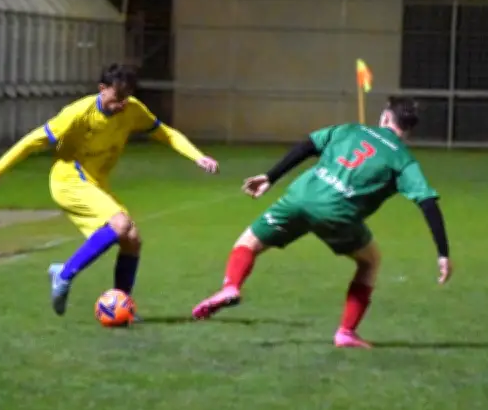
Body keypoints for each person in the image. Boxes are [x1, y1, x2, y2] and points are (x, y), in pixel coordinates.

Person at [191, 97, 453, 348]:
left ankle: (231, 286)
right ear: (408, 130)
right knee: (370, 261)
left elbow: (307, 146)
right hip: (338, 214)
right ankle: (346, 332)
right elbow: (427, 202)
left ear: (385, 117)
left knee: (249, 241)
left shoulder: (350, 129)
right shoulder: (403, 160)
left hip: (302, 196)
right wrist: (443, 253)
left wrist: (271, 177)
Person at [0, 63, 219, 317]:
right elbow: (34, 140)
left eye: (126, 97)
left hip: (96, 183)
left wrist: (197, 156)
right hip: (68, 180)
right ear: (102, 89)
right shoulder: (79, 112)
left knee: (132, 240)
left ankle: (122, 304)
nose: (121, 104)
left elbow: (165, 133)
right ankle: (64, 273)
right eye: (117, 98)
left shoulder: (132, 109)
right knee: (120, 224)